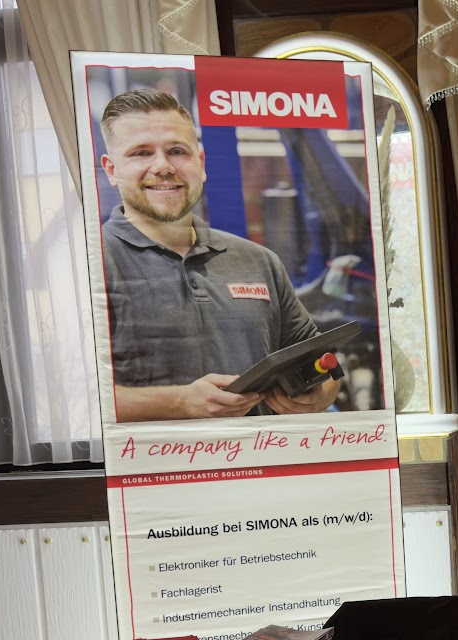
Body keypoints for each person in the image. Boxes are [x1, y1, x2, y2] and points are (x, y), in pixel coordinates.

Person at [97, 88, 339, 422]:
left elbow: (323, 367)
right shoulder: (90, 264)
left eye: (177, 151)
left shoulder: (260, 261)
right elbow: (73, 399)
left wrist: (317, 394)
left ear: (201, 162)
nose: (163, 166)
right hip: (153, 458)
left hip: (263, 453)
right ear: (111, 170)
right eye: (141, 153)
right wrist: (179, 403)